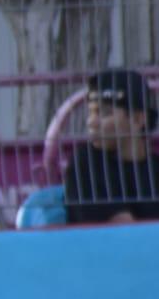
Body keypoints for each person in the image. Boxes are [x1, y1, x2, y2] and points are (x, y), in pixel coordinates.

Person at [63, 68, 159, 224]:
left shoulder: (154, 169)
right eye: (91, 112)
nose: (91, 122)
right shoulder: (86, 163)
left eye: (104, 113)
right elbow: (123, 230)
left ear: (137, 119)